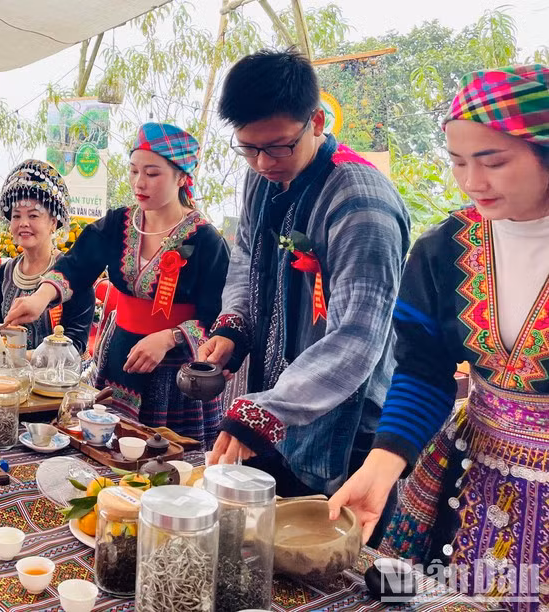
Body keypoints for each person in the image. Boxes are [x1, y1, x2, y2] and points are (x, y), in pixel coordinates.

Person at [328, 64, 549, 608]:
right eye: (457, 161)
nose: (472, 182)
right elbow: (425, 368)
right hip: (470, 477)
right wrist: (382, 464)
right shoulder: (444, 249)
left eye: (493, 161)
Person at [200, 49, 410, 515]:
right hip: (278, 400)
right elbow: (246, 255)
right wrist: (234, 325)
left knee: (327, 545)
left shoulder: (361, 203)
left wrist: (269, 410)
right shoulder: (262, 177)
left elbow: (358, 336)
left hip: (346, 421)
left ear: (316, 122)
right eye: (248, 148)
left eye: (278, 146)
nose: (262, 163)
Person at [5, 123, 230, 447]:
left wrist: (168, 338)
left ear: (182, 177)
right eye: (134, 170)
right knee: (107, 450)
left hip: (175, 374)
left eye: (152, 173)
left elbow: (216, 316)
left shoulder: (207, 241)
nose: (139, 182)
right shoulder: (118, 224)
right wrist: (39, 298)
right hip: (118, 358)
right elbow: (77, 264)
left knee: (164, 458)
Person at [0, 160, 94, 354]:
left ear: (53, 223)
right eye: (16, 216)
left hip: (57, 373)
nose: (23, 223)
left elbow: (75, 345)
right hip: (5, 370)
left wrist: (22, 357)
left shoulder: (73, 276)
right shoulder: (2, 274)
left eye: (33, 216)